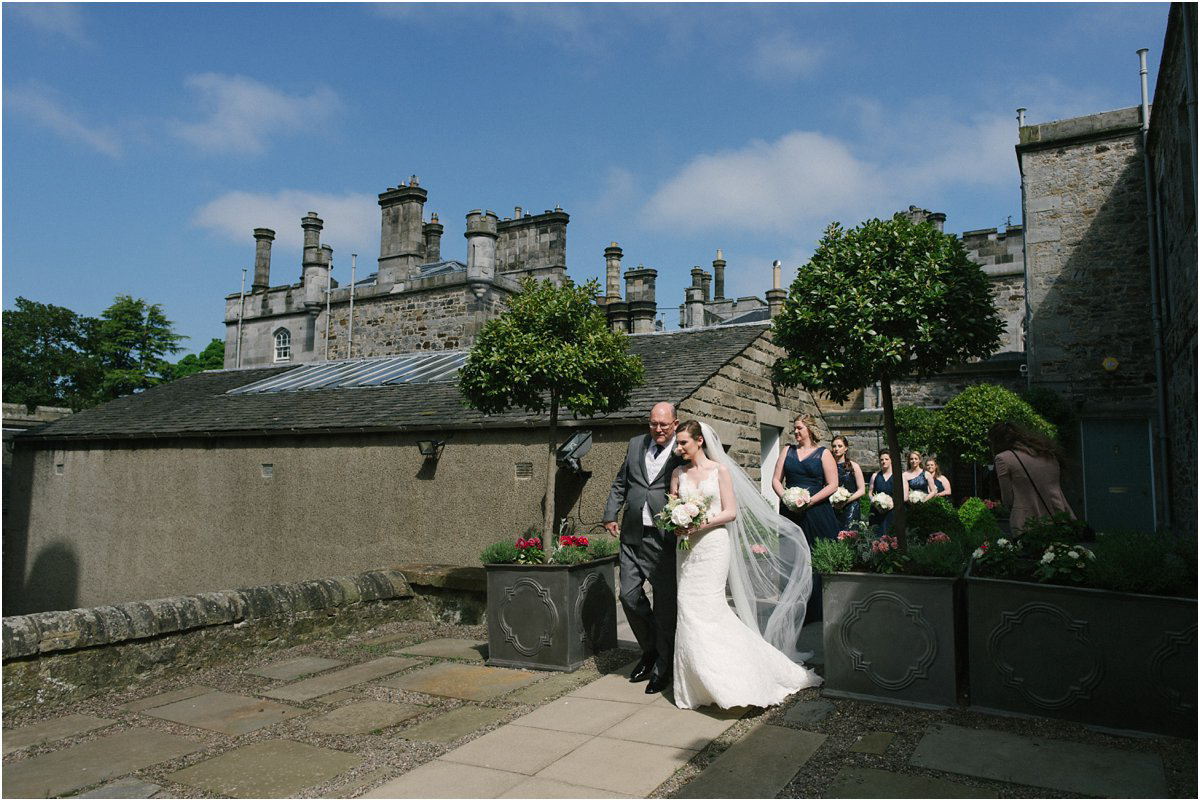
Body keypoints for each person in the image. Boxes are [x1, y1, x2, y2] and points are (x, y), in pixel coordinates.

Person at [669, 420, 822, 709]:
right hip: (687, 550)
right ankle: (696, 685)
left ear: (699, 441)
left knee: (711, 610)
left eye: (683, 443)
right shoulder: (678, 474)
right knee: (686, 606)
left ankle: (731, 677)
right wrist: (676, 523)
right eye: (677, 444)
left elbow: (730, 512)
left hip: (714, 545)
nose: (678, 449)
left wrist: (700, 523)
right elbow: (673, 506)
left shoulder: (720, 471)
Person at [604, 402, 683, 693]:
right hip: (632, 533)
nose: (658, 430)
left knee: (664, 607)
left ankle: (664, 666)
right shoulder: (636, 443)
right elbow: (621, 482)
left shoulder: (683, 447)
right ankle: (649, 649)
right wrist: (610, 513)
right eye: (653, 424)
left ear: (675, 424)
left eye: (664, 425)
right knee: (628, 595)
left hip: (664, 539)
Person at [771, 414, 839, 622]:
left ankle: (817, 609)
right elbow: (776, 480)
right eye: (794, 428)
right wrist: (787, 498)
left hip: (817, 512)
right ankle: (795, 607)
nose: (796, 432)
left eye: (799, 428)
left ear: (809, 430)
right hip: (791, 512)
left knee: (816, 557)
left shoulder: (823, 453)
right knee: (794, 558)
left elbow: (832, 485)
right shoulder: (787, 451)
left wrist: (809, 502)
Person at [988, 420, 1076, 534]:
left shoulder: (1003, 459)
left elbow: (1008, 498)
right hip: (1059, 518)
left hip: (1026, 523)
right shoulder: (1047, 453)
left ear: (996, 441)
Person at [829, 435, 865, 529]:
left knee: (849, 536)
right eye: (834, 446)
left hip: (851, 507)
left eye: (840, 446)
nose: (836, 449)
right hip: (832, 507)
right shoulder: (828, 466)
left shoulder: (854, 466)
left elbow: (862, 490)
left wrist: (845, 501)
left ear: (846, 448)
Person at [868, 449, 905, 534]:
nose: (883, 461)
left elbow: (902, 494)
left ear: (891, 460)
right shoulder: (875, 476)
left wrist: (891, 505)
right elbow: (870, 492)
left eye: (886, 459)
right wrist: (874, 501)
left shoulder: (898, 476)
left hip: (892, 511)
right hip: (876, 510)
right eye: (881, 460)